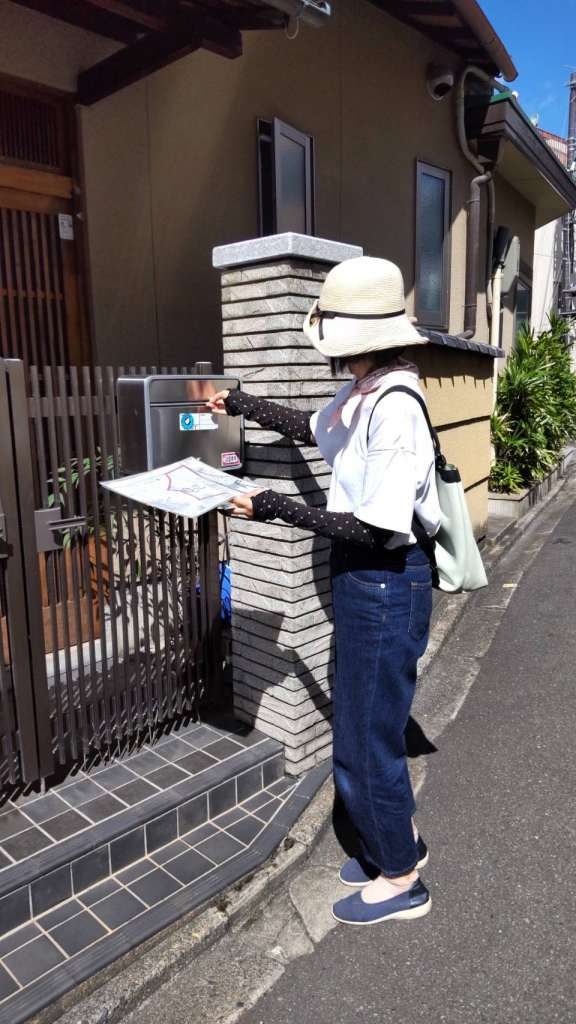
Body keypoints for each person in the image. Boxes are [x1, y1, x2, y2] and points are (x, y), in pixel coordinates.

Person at [208, 256, 441, 926]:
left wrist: (277, 507)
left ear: (360, 341)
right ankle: (393, 844)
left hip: (386, 579)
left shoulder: (395, 408)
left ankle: (401, 879)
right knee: (366, 724)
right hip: (367, 580)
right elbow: (312, 430)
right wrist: (241, 406)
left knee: (366, 737)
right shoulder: (367, 390)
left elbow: (377, 527)